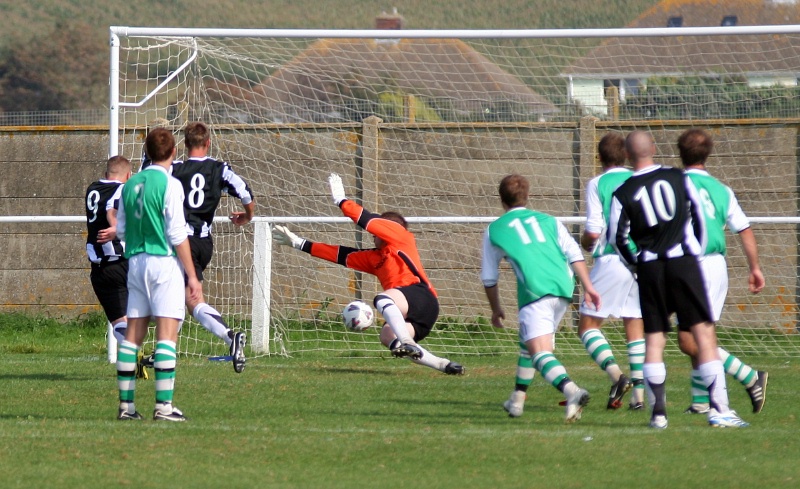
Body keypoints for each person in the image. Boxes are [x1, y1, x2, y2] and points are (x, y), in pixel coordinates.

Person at [608, 130, 748, 429]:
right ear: (654, 149)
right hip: (683, 262)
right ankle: (720, 410)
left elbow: (617, 237)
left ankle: (658, 415)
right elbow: (697, 214)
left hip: (650, 268)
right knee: (703, 334)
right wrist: (693, 250)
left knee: (654, 340)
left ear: (628, 156)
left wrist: (637, 263)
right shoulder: (678, 177)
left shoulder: (622, 191)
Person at [272, 173, 464, 375]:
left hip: (421, 296)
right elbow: (340, 255)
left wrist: (341, 201)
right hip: (414, 313)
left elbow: (365, 219)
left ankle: (408, 341)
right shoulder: (375, 257)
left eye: (377, 232)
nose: (373, 236)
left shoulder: (401, 237)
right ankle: (443, 365)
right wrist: (298, 243)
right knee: (388, 337)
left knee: (382, 299)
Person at [480, 174, 601, 422]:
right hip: (563, 288)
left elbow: (489, 278)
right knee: (528, 345)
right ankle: (516, 401)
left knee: (539, 352)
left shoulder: (495, 229)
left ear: (501, 200)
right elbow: (574, 254)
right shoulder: (550, 220)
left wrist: (496, 309)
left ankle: (572, 392)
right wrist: (588, 287)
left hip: (535, 293)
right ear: (528, 196)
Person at [676, 128, 768, 414]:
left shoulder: (672, 185)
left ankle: (749, 376)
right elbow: (744, 229)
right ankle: (701, 402)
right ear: (708, 154)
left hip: (692, 265)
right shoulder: (721, 189)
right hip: (716, 266)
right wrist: (755, 268)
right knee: (700, 333)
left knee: (690, 340)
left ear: (680, 153)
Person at [115, 127, 201, 421]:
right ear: (174, 152)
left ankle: (126, 408)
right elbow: (178, 235)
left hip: (135, 263)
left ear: (147, 153)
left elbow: (122, 230)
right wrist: (192, 275)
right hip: (163, 262)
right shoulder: (170, 185)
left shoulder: (130, 185)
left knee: (132, 336)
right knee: (167, 334)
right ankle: (164, 407)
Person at [168, 121, 254, 373]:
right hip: (205, 242)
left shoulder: (174, 170)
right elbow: (245, 192)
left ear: (185, 145)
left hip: (182, 242)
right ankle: (162, 351)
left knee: (193, 302)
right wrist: (247, 216)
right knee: (180, 296)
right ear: (208, 143)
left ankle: (231, 337)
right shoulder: (219, 168)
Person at [577, 132, 645, 410]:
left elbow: (594, 231)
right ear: (627, 155)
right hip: (643, 262)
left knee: (587, 326)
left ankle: (617, 376)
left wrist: (583, 242)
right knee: (635, 324)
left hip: (613, 259)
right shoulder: (641, 178)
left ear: (599, 158)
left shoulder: (598, 183)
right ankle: (639, 397)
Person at [85, 156, 149, 376]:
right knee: (135, 314)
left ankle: (133, 349)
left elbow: (107, 210)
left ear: (106, 174)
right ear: (128, 176)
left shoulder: (92, 189)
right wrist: (118, 229)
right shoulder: (124, 190)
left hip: (102, 269)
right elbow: (117, 213)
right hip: (127, 263)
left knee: (118, 323)